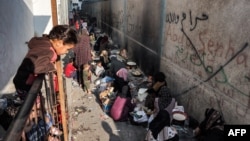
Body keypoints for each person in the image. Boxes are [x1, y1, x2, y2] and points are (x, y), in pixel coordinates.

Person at [13, 25, 78, 101]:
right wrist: (53, 67)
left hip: (22, 79)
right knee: (32, 104)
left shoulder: (44, 42)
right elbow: (38, 68)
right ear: (58, 43)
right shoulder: (48, 51)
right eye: (67, 49)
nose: (67, 52)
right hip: (24, 83)